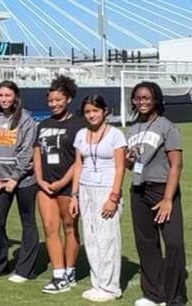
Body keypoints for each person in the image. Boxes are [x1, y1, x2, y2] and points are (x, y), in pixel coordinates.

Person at [125, 82, 188, 306]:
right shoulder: (131, 129)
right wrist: (128, 160)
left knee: (173, 244)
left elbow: (176, 165)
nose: (142, 102)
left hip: (163, 190)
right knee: (146, 244)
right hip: (139, 191)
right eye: (138, 98)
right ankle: (152, 294)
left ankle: (174, 297)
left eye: (147, 98)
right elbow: (131, 165)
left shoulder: (167, 127)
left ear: (156, 100)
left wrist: (168, 199)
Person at [69, 95, 127, 302]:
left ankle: (111, 287)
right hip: (85, 189)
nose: (91, 115)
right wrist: (74, 195)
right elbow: (79, 164)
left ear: (104, 111)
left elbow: (121, 168)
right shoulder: (81, 134)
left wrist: (113, 197)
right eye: (87, 111)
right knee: (91, 238)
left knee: (107, 239)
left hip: (106, 189)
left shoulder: (116, 135)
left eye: (95, 110)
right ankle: (98, 284)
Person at [0, 80, 39, 283]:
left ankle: (25, 269)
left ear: (15, 96)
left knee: (28, 222)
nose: (4, 99)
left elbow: (27, 150)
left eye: (7, 95)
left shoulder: (26, 119)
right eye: (0, 95)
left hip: (23, 180)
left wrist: (15, 177)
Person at [34, 75, 85, 294]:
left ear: (69, 99)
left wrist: (64, 181)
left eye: (58, 100)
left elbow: (79, 158)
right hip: (45, 185)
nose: (54, 104)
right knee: (49, 228)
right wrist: (40, 180)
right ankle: (58, 274)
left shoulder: (79, 124)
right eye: (50, 100)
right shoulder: (44, 124)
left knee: (69, 227)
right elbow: (37, 154)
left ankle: (70, 271)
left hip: (67, 185)